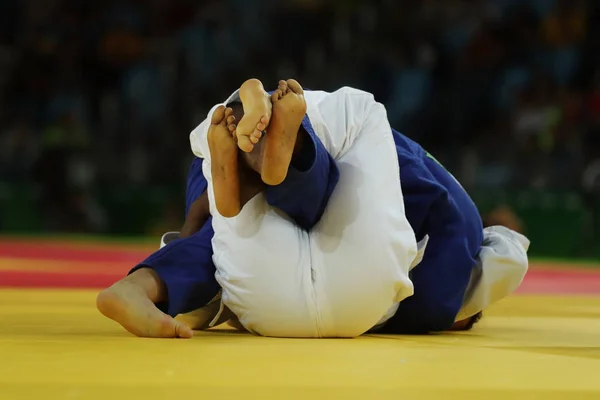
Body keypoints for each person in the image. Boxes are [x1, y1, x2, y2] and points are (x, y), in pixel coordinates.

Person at [97, 79, 529, 338]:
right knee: (294, 207)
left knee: (222, 235)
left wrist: (198, 217)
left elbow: (201, 231)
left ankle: (145, 282)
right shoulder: (435, 296)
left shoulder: (460, 223)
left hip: (300, 200)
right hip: (321, 295)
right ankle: (275, 155)